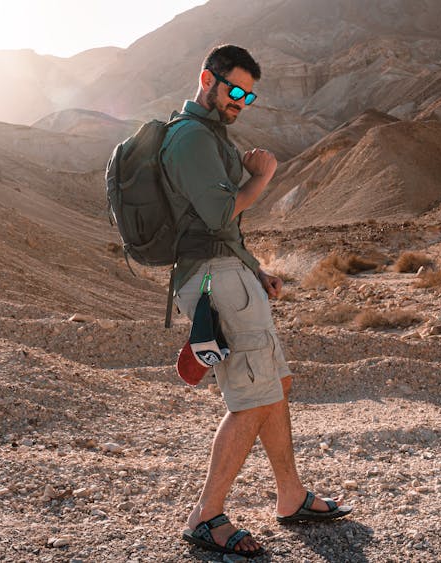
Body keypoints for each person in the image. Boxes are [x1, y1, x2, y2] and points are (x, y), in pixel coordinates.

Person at [161, 44, 352, 558]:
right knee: (254, 396)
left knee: (275, 383)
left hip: (228, 272)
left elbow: (218, 226)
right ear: (208, 78)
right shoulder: (191, 139)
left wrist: (255, 268)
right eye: (234, 89)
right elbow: (221, 215)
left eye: (249, 94)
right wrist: (263, 178)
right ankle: (205, 517)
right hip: (212, 277)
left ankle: (290, 497)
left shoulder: (208, 137)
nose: (241, 100)